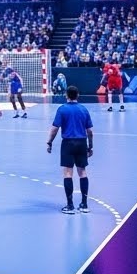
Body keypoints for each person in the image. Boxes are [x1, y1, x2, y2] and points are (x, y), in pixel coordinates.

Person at [47, 86, 95, 214]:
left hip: (68, 143)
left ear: (66, 95)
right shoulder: (83, 109)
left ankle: (70, 205)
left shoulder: (62, 109)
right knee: (82, 172)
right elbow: (90, 131)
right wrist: (90, 146)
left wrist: (49, 142)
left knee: (68, 173)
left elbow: (54, 129)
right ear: (77, 95)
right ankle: (84, 204)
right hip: (81, 143)